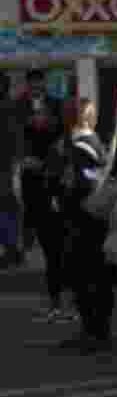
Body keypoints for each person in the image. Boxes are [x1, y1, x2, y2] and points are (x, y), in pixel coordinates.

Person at [49, 98, 115, 354]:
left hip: (82, 220)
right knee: (97, 277)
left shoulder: (77, 148)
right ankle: (97, 330)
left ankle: (94, 332)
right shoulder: (97, 144)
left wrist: (60, 197)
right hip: (97, 219)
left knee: (85, 277)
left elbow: (78, 185)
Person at [16, 68, 70, 322]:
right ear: (27, 86)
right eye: (33, 84)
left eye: (40, 84)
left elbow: (62, 137)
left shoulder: (56, 105)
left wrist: (51, 162)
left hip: (52, 179)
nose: (37, 88)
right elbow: (14, 136)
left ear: (44, 84)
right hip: (28, 178)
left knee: (54, 240)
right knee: (35, 224)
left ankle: (58, 297)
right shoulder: (17, 107)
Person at [0, 71, 25, 268]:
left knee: (7, 209)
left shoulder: (7, 109)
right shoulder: (12, 108)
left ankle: (11, 250)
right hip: (9, 167)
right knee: (10, 209)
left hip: (6, 168)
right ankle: (13, 250)